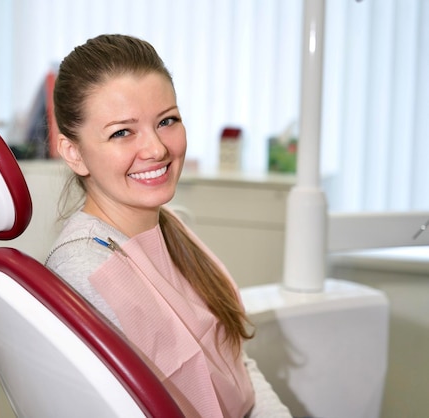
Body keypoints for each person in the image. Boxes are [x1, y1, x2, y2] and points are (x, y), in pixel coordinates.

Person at [45, 34, 290, 418]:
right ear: (74, 153)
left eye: (167, 121)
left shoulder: (170, 227)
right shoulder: (86, 270)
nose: (157, 149)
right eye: (122, 132)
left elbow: (238, 367)